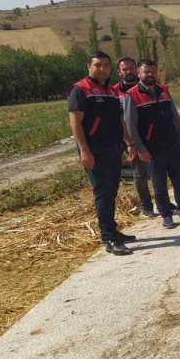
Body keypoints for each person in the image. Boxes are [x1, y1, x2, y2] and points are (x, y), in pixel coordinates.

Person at [68, 50, 137, 255]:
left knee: (112, 191)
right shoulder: (81, 90)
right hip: (94, 150)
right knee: (102, 194)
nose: (102, 69)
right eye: (98, 65)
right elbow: (75, 122)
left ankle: (113, 230)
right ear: (89, 66)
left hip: (113, 147)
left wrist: (128, 142)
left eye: (106, 65)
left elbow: (119, 120)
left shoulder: (110, 91)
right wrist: (84, 151)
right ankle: (108, 238)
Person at [124, 60, 180, 229]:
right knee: (159, 185)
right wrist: (140, 147)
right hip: (152, 149)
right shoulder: (132, 95)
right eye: (146, 72)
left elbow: (174, 115)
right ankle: (166, 215)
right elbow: (130, 125)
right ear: (139, 73)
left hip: (172, 145)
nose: (150, 75)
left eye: (153, 71)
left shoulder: (164, 90)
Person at [110, 57, 154, 217]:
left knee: (158, 172)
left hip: (152, 136)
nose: (128, 72)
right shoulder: (114, 92)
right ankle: (147, 205)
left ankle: (164, 201)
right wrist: (129, 142)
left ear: (136, 69)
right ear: (119, 72)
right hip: (131, 140)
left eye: (131, 68)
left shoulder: (146, 85)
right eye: (124, 69)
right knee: (139, 174)